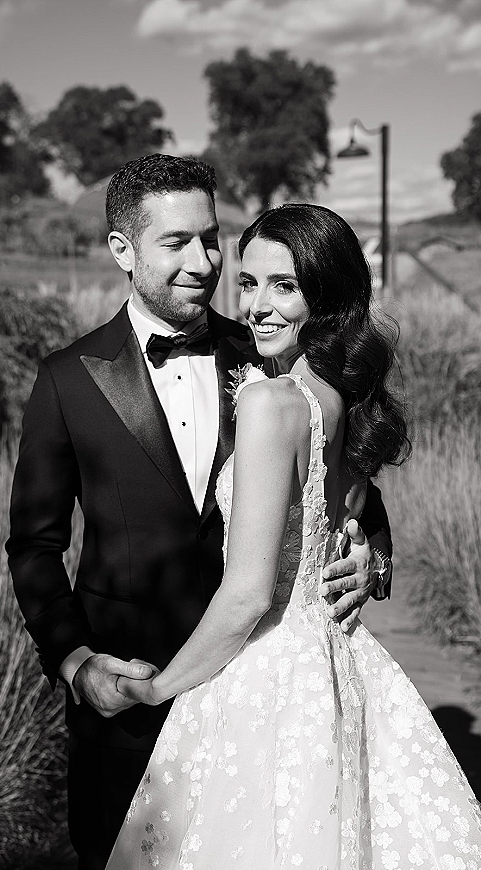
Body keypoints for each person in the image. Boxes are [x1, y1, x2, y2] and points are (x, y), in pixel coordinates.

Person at [6, 156, 393, 870]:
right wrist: (73, 660)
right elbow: (33, 545)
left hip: (261, 696)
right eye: (176, 242)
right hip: (128, 698)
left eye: (211, 238)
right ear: (123, 249)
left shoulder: (271, 351)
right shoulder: (65, 379)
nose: (204, 261)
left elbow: (345, 478)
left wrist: (372, 554)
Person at [107, 203, 481, 869]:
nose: (256, 305)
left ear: (328, 297)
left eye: (284, 285)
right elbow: (327, 504)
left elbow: (250, 595)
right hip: (334, 658)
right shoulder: (338, 396)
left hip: (263, 663)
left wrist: (160, 689)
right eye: (248, 283)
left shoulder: (268, 399)